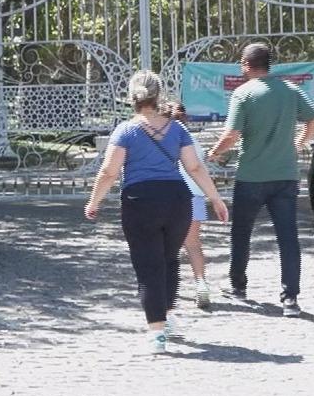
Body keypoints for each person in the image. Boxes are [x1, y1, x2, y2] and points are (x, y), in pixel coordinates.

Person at [85, 71, 229, 354]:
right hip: (178, 200)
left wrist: (94, 201)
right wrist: (215, 198)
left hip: (141, 201)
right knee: (169, 259)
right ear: (158, 95)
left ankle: (157, 333)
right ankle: (169, 315)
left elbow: (109, 171)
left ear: (132, 97)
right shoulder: (177, 129)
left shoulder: (126, 130)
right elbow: (195, 167)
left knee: (148, 266)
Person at [207, 43, 314, 317]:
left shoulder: (244, 93)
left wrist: (214, 153)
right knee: (288, 237)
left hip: (251, 175)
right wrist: (298, 143)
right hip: (285, 175)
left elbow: (232, 134)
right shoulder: (290, 89)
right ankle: (290, 298)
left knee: (241, 233)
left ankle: (238, 285)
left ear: (246, 65)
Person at [166, 101, 213, 309]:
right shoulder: (193, 141)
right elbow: (199, 167)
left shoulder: (161, 138)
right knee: (193, 244)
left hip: (169, 195)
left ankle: (165, 287)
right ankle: (201, 283)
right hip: (194, 195)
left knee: (165, 245)